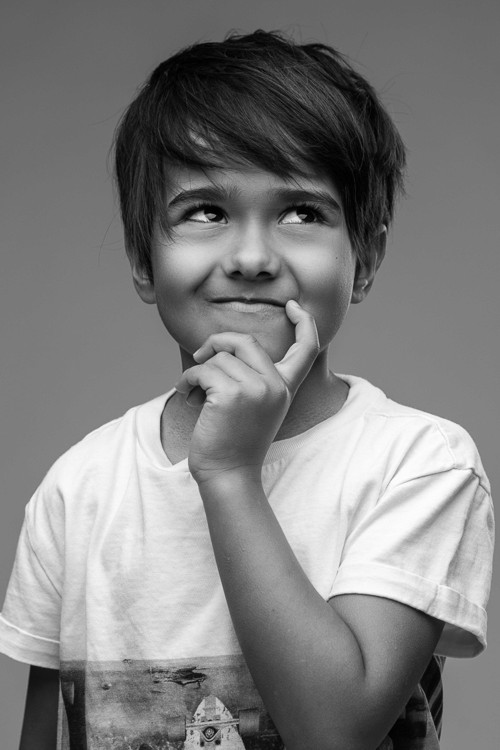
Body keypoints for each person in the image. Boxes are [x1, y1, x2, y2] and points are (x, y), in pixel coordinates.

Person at [0, 29, 493, 750]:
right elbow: (48, 729)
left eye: (302, 213)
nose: (253, 257)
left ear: (365, 257)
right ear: (143, 257)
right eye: (205, 212)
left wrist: (230, 472)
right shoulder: (80, 487)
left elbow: (336, 732)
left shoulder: (419, 464)